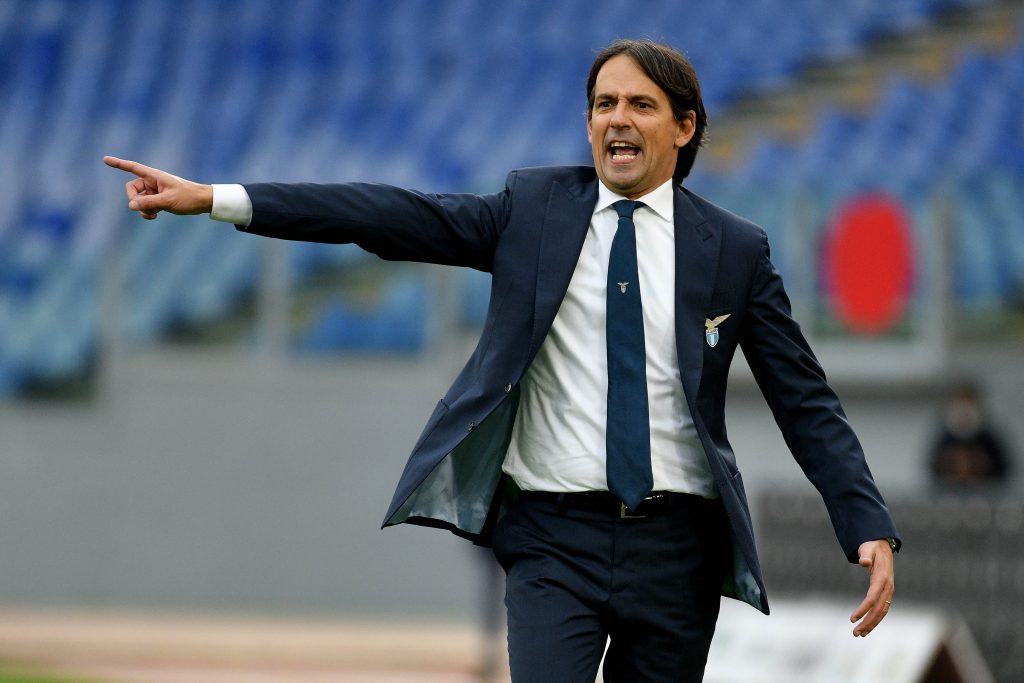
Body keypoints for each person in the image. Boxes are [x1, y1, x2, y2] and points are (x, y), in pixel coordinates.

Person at [105, 39, 899, 683]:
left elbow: (804, 399)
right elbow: (388, 214)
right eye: (603, 104)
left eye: (639, 105)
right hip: (553, 540)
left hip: (678, 550)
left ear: (684, 127)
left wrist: (865, 523)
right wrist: (220, 198)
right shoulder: (533, 210)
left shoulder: (734, 250)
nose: (616, 119)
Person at [929, 381, 1011, 488]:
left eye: (969, 404)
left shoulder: (989, 438)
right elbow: (933, 469)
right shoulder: (943, 438)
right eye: (960, 405)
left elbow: (1003, 469)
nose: (965, 411)